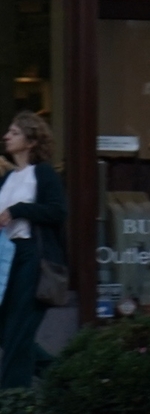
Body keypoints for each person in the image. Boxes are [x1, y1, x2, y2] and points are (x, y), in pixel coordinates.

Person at [0, 114, 68, 389]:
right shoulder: (8, 179)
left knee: (18, 330)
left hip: (32, 257)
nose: (7, 136)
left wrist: (17, 210)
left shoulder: (42, 173)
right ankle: (62, 378)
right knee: (10, 330)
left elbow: (57, 211)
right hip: (8, 258)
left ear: (30, 141)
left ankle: (11, 401)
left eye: (14, 132)